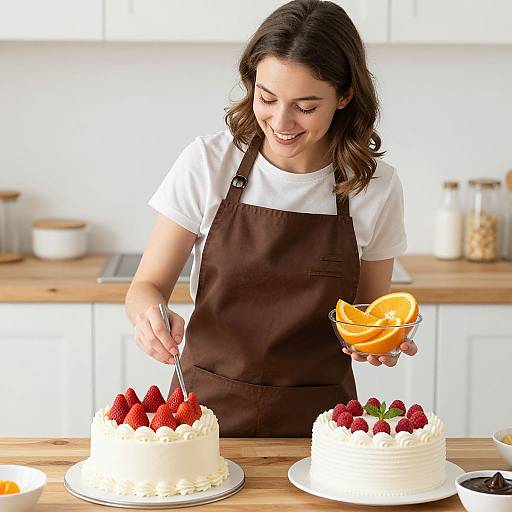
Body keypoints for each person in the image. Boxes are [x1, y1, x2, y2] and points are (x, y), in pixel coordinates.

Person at [125, 0, 416, 437]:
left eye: (305, 106)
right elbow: (145, 287)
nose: (280, 122)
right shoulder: (208, 162)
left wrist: (379, 343)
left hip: (322, 423)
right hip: (201, 413)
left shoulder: (374, 187)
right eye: (267, 98)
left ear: (344, 95)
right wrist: (150, 316)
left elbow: (369, 311)